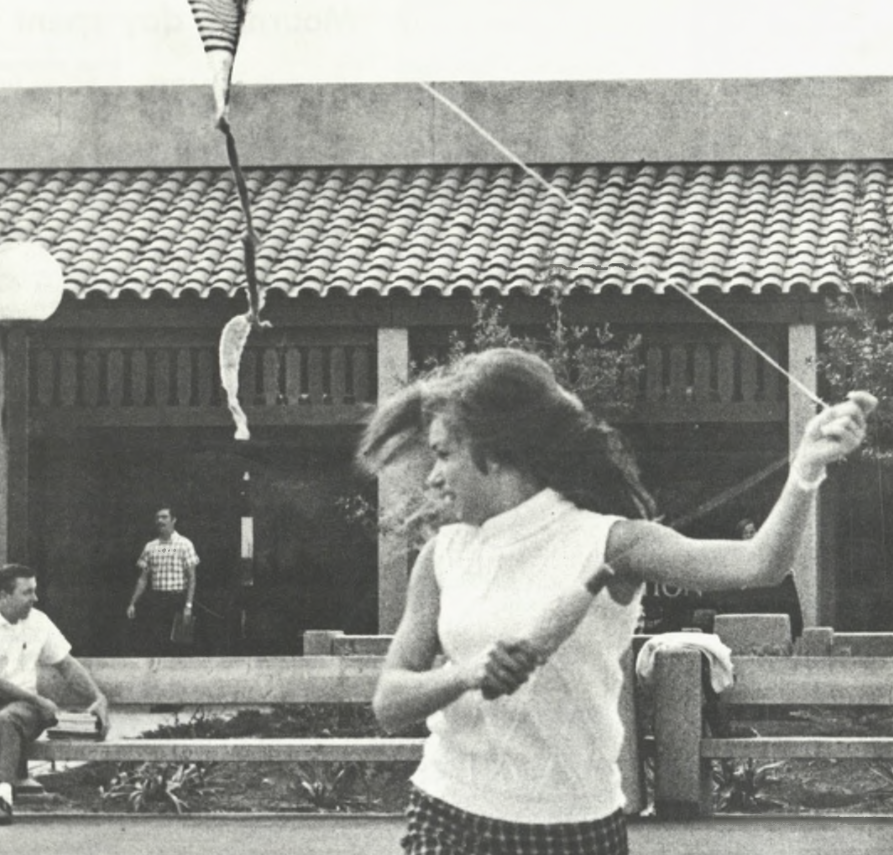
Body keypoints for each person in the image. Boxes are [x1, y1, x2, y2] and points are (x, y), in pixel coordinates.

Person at [357, 347, 873, 855]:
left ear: (497, 451)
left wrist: (807, 468)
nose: (432, 475)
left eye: (444, 453)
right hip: (447, 813)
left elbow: (759, 564)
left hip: (572, 827)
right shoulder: (440, 557)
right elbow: (389, 704)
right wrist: (465, 674)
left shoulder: (611, 543)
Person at [0, 564, 110, 827]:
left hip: (19, 708)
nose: (35, 598)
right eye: (27, 592)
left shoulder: (38, 622)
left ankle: (3, 796)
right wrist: (38, 700)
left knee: (8, 718)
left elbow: (66, 664)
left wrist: (97, 697)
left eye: (35, 591)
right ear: (4, 595)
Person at [126, 505, 199, 657]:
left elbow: (192, 578)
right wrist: (133, 603)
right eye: (158, 517)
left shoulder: (185, 544)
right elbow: (143, 579)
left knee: (179, 645)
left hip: (178, 600)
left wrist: (188, 605)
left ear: (174, 520)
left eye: (164, 517)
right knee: (157, 644)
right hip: (157, 601)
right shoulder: (150, 547)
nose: (160, 520)